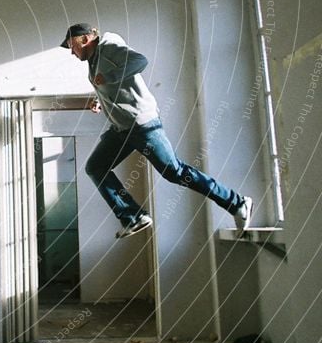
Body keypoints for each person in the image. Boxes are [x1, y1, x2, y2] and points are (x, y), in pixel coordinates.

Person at [60, 22, 253, 238]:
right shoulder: (94, 60)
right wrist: (99, 99)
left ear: (85, 39)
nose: (71, 52)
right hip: (122, 130)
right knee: (96, 167)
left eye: (71, 46)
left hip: (142, 125)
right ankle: (133, 217)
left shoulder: (109, 44)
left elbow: (139, 61)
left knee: (175, 172)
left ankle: (236, 202)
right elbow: (114, 87)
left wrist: (110, 78)